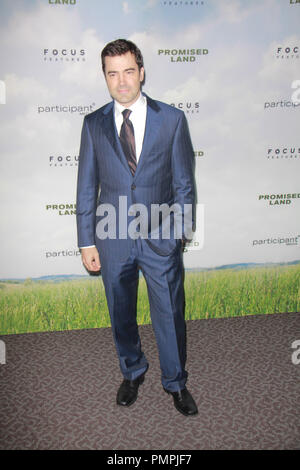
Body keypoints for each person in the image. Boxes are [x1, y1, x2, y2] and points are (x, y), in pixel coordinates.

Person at [76, 39, 198, 416]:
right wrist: (85, 242)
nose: (122, 81)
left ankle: (176, 382)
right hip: (111, 239)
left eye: (129, 71)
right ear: (105, 78)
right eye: (113, 73)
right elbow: (85, 185)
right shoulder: (93, 123)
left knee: (169, 311)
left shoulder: (172, 119)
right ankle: (132, 371)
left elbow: (184, 182)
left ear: (142, 72)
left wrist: (179, 232)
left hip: (160, 236)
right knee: (121, 312)